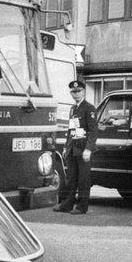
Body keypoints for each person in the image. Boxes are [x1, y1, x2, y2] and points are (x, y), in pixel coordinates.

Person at [54, 80, 98, 215]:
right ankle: (67, 205)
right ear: (71, 93)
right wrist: (66, 147)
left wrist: (88, 149)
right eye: (74, 92)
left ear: (83, 92)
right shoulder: (73, 109)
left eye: (79, 91)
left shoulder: (89, 108)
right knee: (71, 178)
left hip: (83, 149)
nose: (76, 94)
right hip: (73, 149)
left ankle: (81, 207)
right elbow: (71, 129)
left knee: (83, 179)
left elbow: (93, 131)